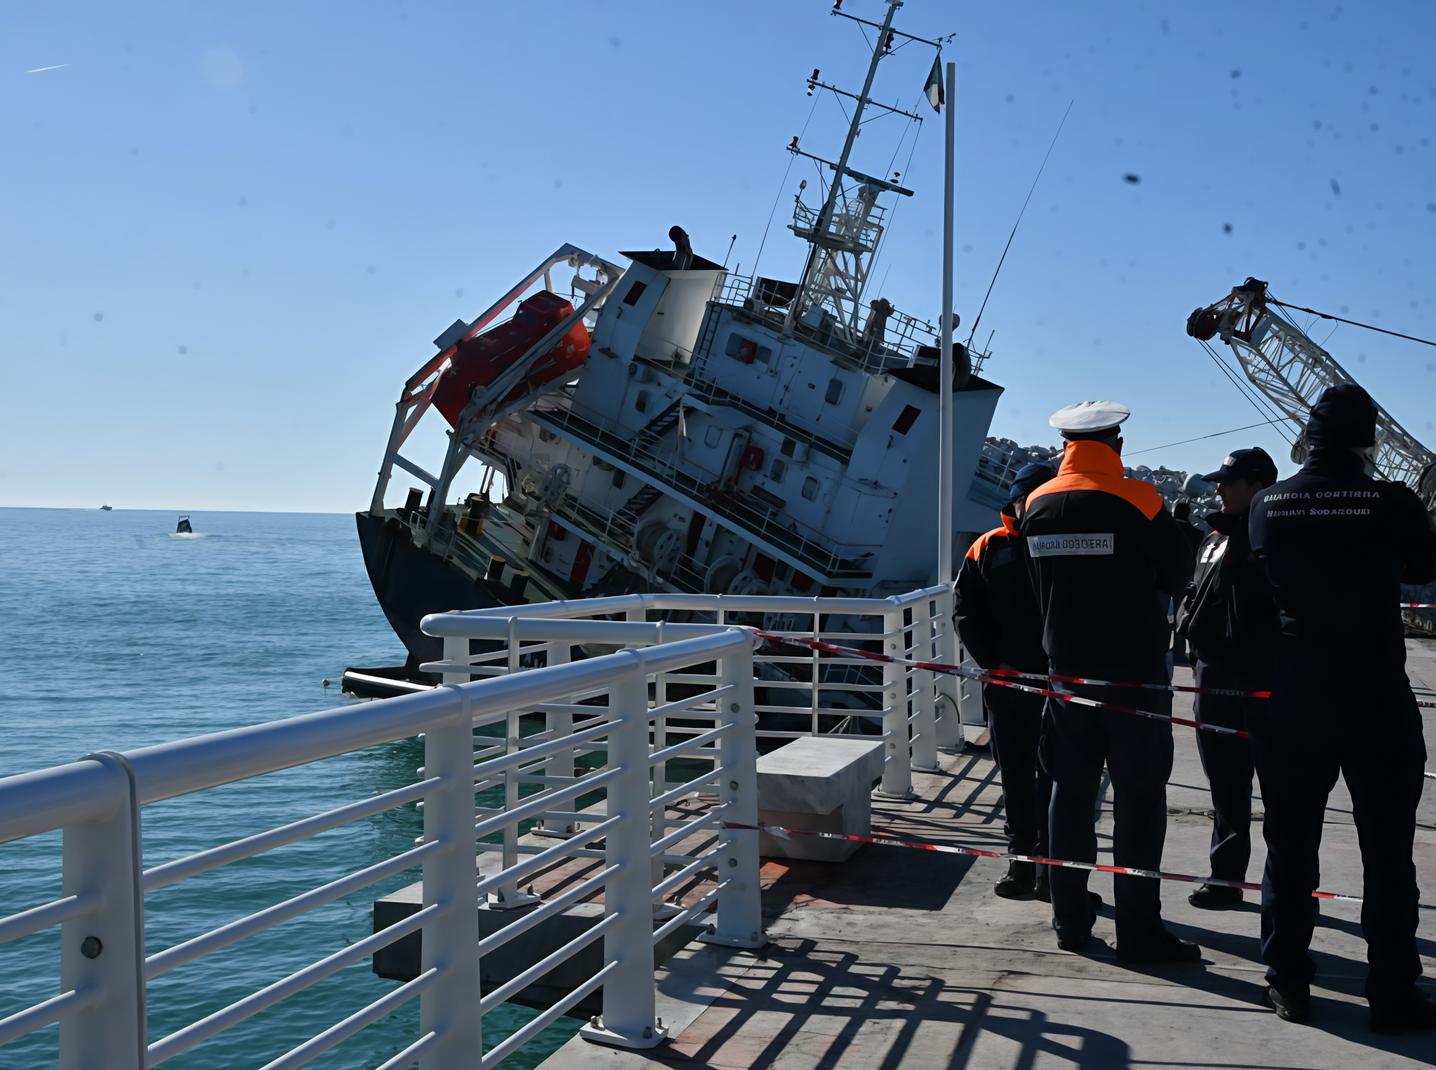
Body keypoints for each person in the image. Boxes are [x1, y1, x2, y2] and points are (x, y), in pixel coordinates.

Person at [1249, 384, 1436, 1031]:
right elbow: (1424, 565)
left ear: (1310, 435)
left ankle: (1289, 983)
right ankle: (1391, 992)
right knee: (1388, 853)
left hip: (1296, 696)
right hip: (1376, 694)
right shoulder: (1392, 502)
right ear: (1368, 439)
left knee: (1290, 846)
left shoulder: (1269, 506)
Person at [1020, 400, 1198, 961]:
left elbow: (1035, 586)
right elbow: (1177, 575)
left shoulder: (1035, 504)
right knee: (1139, 804)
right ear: (1115, 444)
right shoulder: (1141, 500)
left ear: (1066, 445)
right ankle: (1140, 932)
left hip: (1065, 676)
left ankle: (1068, 920)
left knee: (1069, 797)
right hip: (1133, 680)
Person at [1174, 447, 1279, 909]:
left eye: (1228, 482)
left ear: (1257, 487)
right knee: (1226, 787)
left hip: (1267, 679)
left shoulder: (1280, 538)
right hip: (1213, 679)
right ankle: (1226, 878)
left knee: (1281, 791)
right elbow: (1194, 596)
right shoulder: (1213, 539)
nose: (1218, 488)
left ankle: (1287, 886)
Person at [955, 461, 1056, 899]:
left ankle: (1055, 875)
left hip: (1061, 686)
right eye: (1023, 497)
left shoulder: (1062, 543)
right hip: (1009, 687)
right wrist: (995, 663)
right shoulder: (986, 547)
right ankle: (1021, 865)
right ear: (1014, 500)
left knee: (1060, 781)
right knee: (1015, 776)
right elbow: (964, 612)